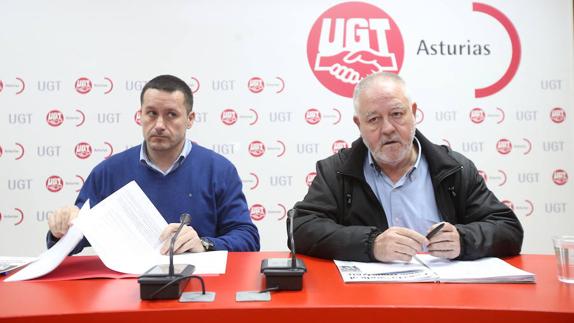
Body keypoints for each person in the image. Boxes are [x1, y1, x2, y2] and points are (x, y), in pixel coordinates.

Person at [292, 72, 523, 263]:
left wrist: (464, 240)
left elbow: (508, 229)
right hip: (367, 302)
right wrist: (371, 245)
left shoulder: (454, 169)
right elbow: (302, 228)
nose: (388, 128)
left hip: (442, 300)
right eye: (373, 119)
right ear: (358, 124)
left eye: (397, 114)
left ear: (413, 113)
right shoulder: (336, 172)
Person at [47, 74, 260, 254]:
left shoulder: (219, 170)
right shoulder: (108, 172)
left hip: (198, 288)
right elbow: (73, 242)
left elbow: (248, 238)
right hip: (125, 292)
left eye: (171, 115)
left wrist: (204, 244)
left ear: (190, 119)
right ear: (140, 115)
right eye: (151, 114)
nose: (159, 125)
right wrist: (61, 231)